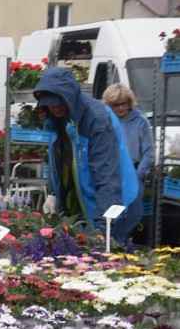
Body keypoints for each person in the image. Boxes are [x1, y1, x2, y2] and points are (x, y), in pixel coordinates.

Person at [34, 67, 142, 243]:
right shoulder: (56, 122)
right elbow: (59, 162)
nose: (56, 108)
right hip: (81, 205)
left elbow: (108, 177)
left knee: (106, 260)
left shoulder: (97, 119)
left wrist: (101, 228)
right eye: (50, 104)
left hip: (114, 205)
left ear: (70, 97)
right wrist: (53, 192)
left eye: (60, 102)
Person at [102, 83, 154, 186]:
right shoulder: (105, 121)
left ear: (129, 103)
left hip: (133, 170)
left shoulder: (141, 121)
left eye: (124, 104)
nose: (121, 108)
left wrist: (138, 175)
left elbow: (149, 152)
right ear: (109, 105)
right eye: (116, 105)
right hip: (111, 172)